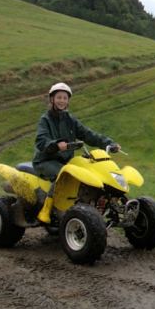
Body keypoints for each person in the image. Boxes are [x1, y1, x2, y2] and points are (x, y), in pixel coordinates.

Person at [33, 82, 120, 224]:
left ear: (68, 101)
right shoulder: (45, 120)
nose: (62, 100)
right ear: (52, 99)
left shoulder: (70, 119)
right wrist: (55, 145)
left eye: (65, 98)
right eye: (59, 97)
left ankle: (82, 207)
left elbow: (88, 134)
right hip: (45, 161)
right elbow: (41, 141)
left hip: (66, 161)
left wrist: (109, 143)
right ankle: (46, 211)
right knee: (63, 175)